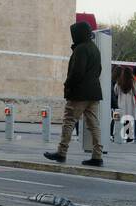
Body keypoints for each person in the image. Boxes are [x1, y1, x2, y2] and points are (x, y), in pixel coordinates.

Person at [44, 22, 104, 166]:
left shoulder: (81, 49)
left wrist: (68, 85)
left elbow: (77, 72)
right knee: (93, 124)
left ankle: (61, 152)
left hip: (79, 93)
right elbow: (99, 70)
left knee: (69, 121)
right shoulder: (94, 48)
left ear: (79, 34)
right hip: (94, 92)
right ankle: (97, 155)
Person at [113, 66, 136, 141]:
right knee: (129, 119)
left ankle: (117, 135)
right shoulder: (132, 81)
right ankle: (129, 136)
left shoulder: (119, 81)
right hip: (130, 103)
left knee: (120, 119)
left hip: (121, 102)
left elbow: (115, 92)